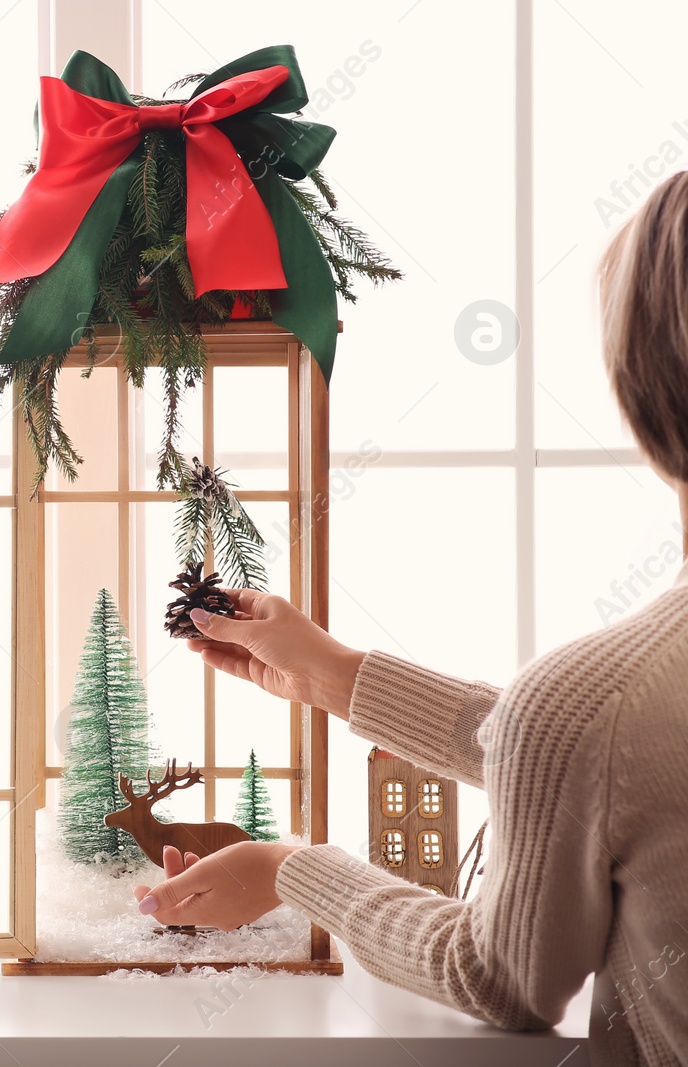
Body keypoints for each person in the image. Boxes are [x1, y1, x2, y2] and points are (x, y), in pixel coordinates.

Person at [131, 173, 688, 1065]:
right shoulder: (608, 713)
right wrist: (335, 675)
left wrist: (288, 868)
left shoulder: (603, 706)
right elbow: (602, 760)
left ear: (645, 385)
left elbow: (500, 977)